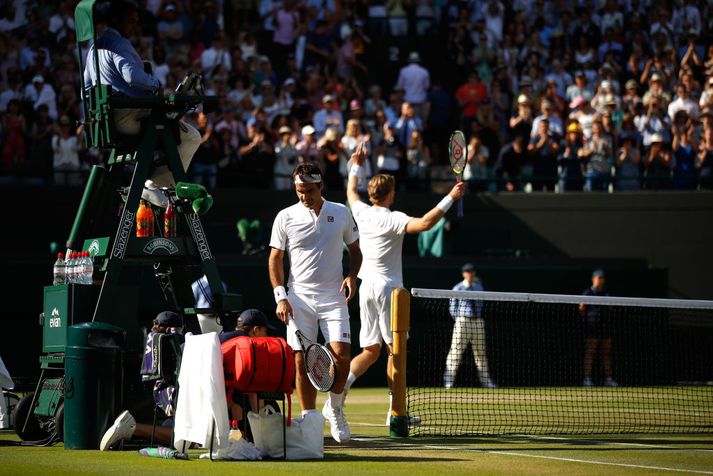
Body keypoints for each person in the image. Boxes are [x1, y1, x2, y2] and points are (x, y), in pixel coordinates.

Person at [342, 142, 464, 418]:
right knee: (395, 351)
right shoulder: (393, 218)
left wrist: (357, 165)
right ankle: (396, 412)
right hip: (389, 291)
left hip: (367, 288)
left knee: (370, 351)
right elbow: (425, 224)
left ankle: (338, 394)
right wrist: (451, 197)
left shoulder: (360, 211)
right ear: (390, 194)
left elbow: (351, 190)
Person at [268, 163, 362, 443]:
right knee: (300, 360)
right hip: (298, 298)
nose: (304, 196)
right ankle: (310, 419)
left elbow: (356, 251)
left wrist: (352, 276)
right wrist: (281, 296)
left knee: (342, 357)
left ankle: (334, 409)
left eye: (309, 191)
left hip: (334, 297)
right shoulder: (285, 217)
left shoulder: (341, 212)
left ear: (321, 187)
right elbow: (275, 258)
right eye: (299, 191)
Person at [83, 0, 201, 208]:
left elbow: (86, 88)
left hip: (107, 122)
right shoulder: (119, 44)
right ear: (116, 20)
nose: (134, 26)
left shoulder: (94, 47)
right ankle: (155, 187)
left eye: (136, 22)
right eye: (130, 21)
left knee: (167, 127)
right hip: (128, 117)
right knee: (191, 136)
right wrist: (156, 84)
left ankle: (153, 184)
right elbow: (131, 76)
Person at [101, 311, 185, 450]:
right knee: (191, 439)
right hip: (179, 395)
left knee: (169, 426)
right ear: (172, 329)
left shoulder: (154, 340)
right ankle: (133, 427)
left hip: (163, 392)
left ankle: (130, 425)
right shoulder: (180, 342)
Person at [443, 263, 495, 389]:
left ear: (474, 273)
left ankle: (486, 382)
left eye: (471, 271)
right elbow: (452, 308)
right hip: (463, 322)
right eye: (467, 271)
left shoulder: (479, 287)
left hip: (477, 321)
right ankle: (448, 381)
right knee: (455, 352)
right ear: (463, 274)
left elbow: (481, 304)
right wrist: (460, 319)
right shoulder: (458, 288)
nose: (470, 274)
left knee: (480, 353)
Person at [579, 269, 617, 388]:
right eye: (598, 278)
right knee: (590, 353)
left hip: (605, 328)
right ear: (593, 279)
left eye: (602, 278)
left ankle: (609, 379)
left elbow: (611, 307)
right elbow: (581, 308)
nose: (600, 280)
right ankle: (587, 379)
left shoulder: (606, 292)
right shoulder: (588, 292)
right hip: (592, 328)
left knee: (607, 354)